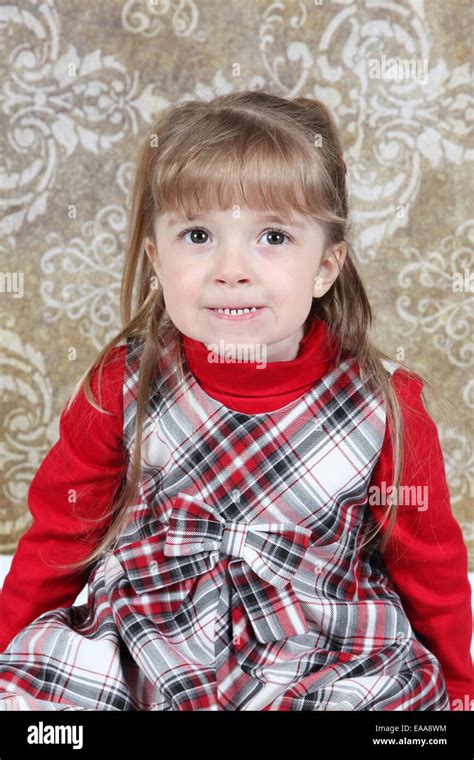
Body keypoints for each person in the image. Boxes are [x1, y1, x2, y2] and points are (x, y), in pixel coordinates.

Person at [0, 91, 472, 711]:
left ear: (326, 267)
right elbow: (61, 538)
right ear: (155, 261)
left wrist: (463, 683)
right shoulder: (125, 384)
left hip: (316, 645)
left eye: (272, 236)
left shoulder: (383, 404)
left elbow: (428, 566)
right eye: (198, 235)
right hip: (154, 636)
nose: (231, 268)